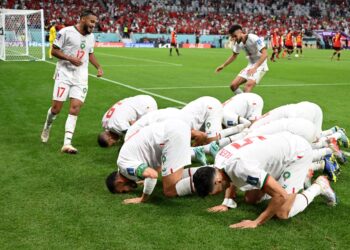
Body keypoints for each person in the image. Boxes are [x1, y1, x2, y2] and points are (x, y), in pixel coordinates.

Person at [193, 132, 337, 229]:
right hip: (278, 145)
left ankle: (319, 186)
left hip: (297, 154)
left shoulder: (242, 168)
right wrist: (227, 203)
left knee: (282, 211)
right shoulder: (220, 160)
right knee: (251, 199)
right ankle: (289, 180)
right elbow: (229, 177)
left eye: (212, 192)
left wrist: (256, 222)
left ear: (217, 181)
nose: (213, 195)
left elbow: (280, 195)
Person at [40, 10, 103, 154]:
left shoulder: (91, 37)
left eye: (95, 23)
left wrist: (98, 67)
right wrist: (69, 58)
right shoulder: (66, 32)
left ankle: (67, 143)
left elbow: (90, 53)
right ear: (82, 19)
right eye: (91, 22)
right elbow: (54, 51)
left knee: (75, 108)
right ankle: (47, 126)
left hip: (81, 77)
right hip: (64, 74)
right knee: (56, 109)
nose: (94, 25)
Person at [106, 120, 199, 203]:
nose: (128, 191)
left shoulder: (124, 167)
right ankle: (208, 168)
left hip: (170, 136)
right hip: (174, 127)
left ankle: (208, 180)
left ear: (119, 182)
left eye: (123, 190)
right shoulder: (124, 163)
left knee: (170, 190)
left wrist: (142, 199)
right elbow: (158, 169)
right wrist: (146, 179)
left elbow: (153, 174)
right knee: (171, 177)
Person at [215, 24, 268, 94]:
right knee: (233, 86)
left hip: (261, 65)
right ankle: (244, 100)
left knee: (247, 86)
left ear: (240, 32)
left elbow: (265, 54)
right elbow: (234, 55)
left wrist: (255, 67)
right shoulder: (238, 43)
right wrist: (223, 65)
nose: (234, 38)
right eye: (232, 37)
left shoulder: (253, 37)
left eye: (234, 36)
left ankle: (247, 103)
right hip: (250, 65)